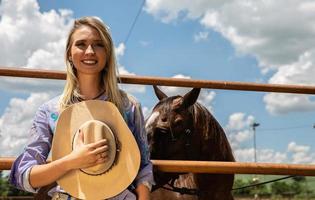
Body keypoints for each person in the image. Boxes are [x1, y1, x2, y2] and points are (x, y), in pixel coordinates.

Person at [10, 16, 154, 200]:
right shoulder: (51, 111)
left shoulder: (129, 106)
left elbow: (143, 165)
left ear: (108, 53)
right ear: (69, 54)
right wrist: (73, 161)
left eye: (98, 44)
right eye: (81, 44)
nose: (90, 51)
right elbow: (25, 175)